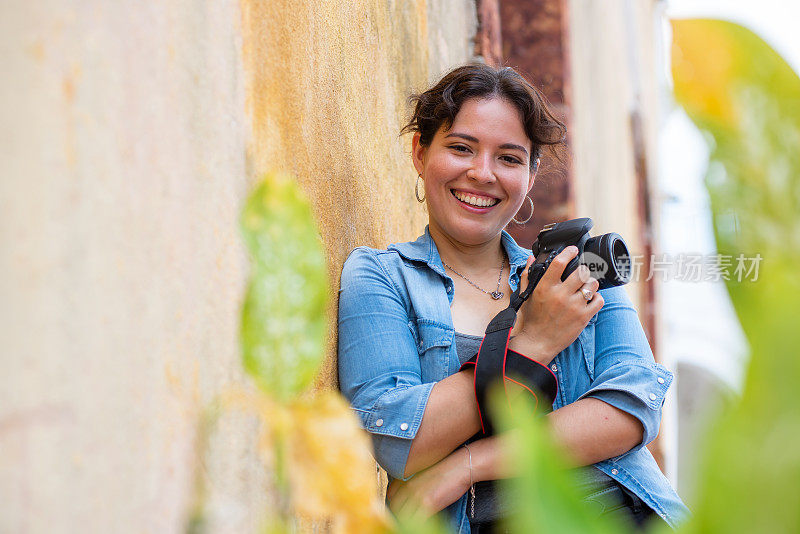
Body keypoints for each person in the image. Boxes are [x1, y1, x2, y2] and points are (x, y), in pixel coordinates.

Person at [337, 64, 689, 533]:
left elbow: (630, 411)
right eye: (461, 148)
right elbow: (402, 441)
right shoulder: (383, 278)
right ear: (420, 153)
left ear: (530, 174)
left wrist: (465, 466)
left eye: (508, 158)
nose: (482, 174)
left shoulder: (576, 270)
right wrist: (530, 346)